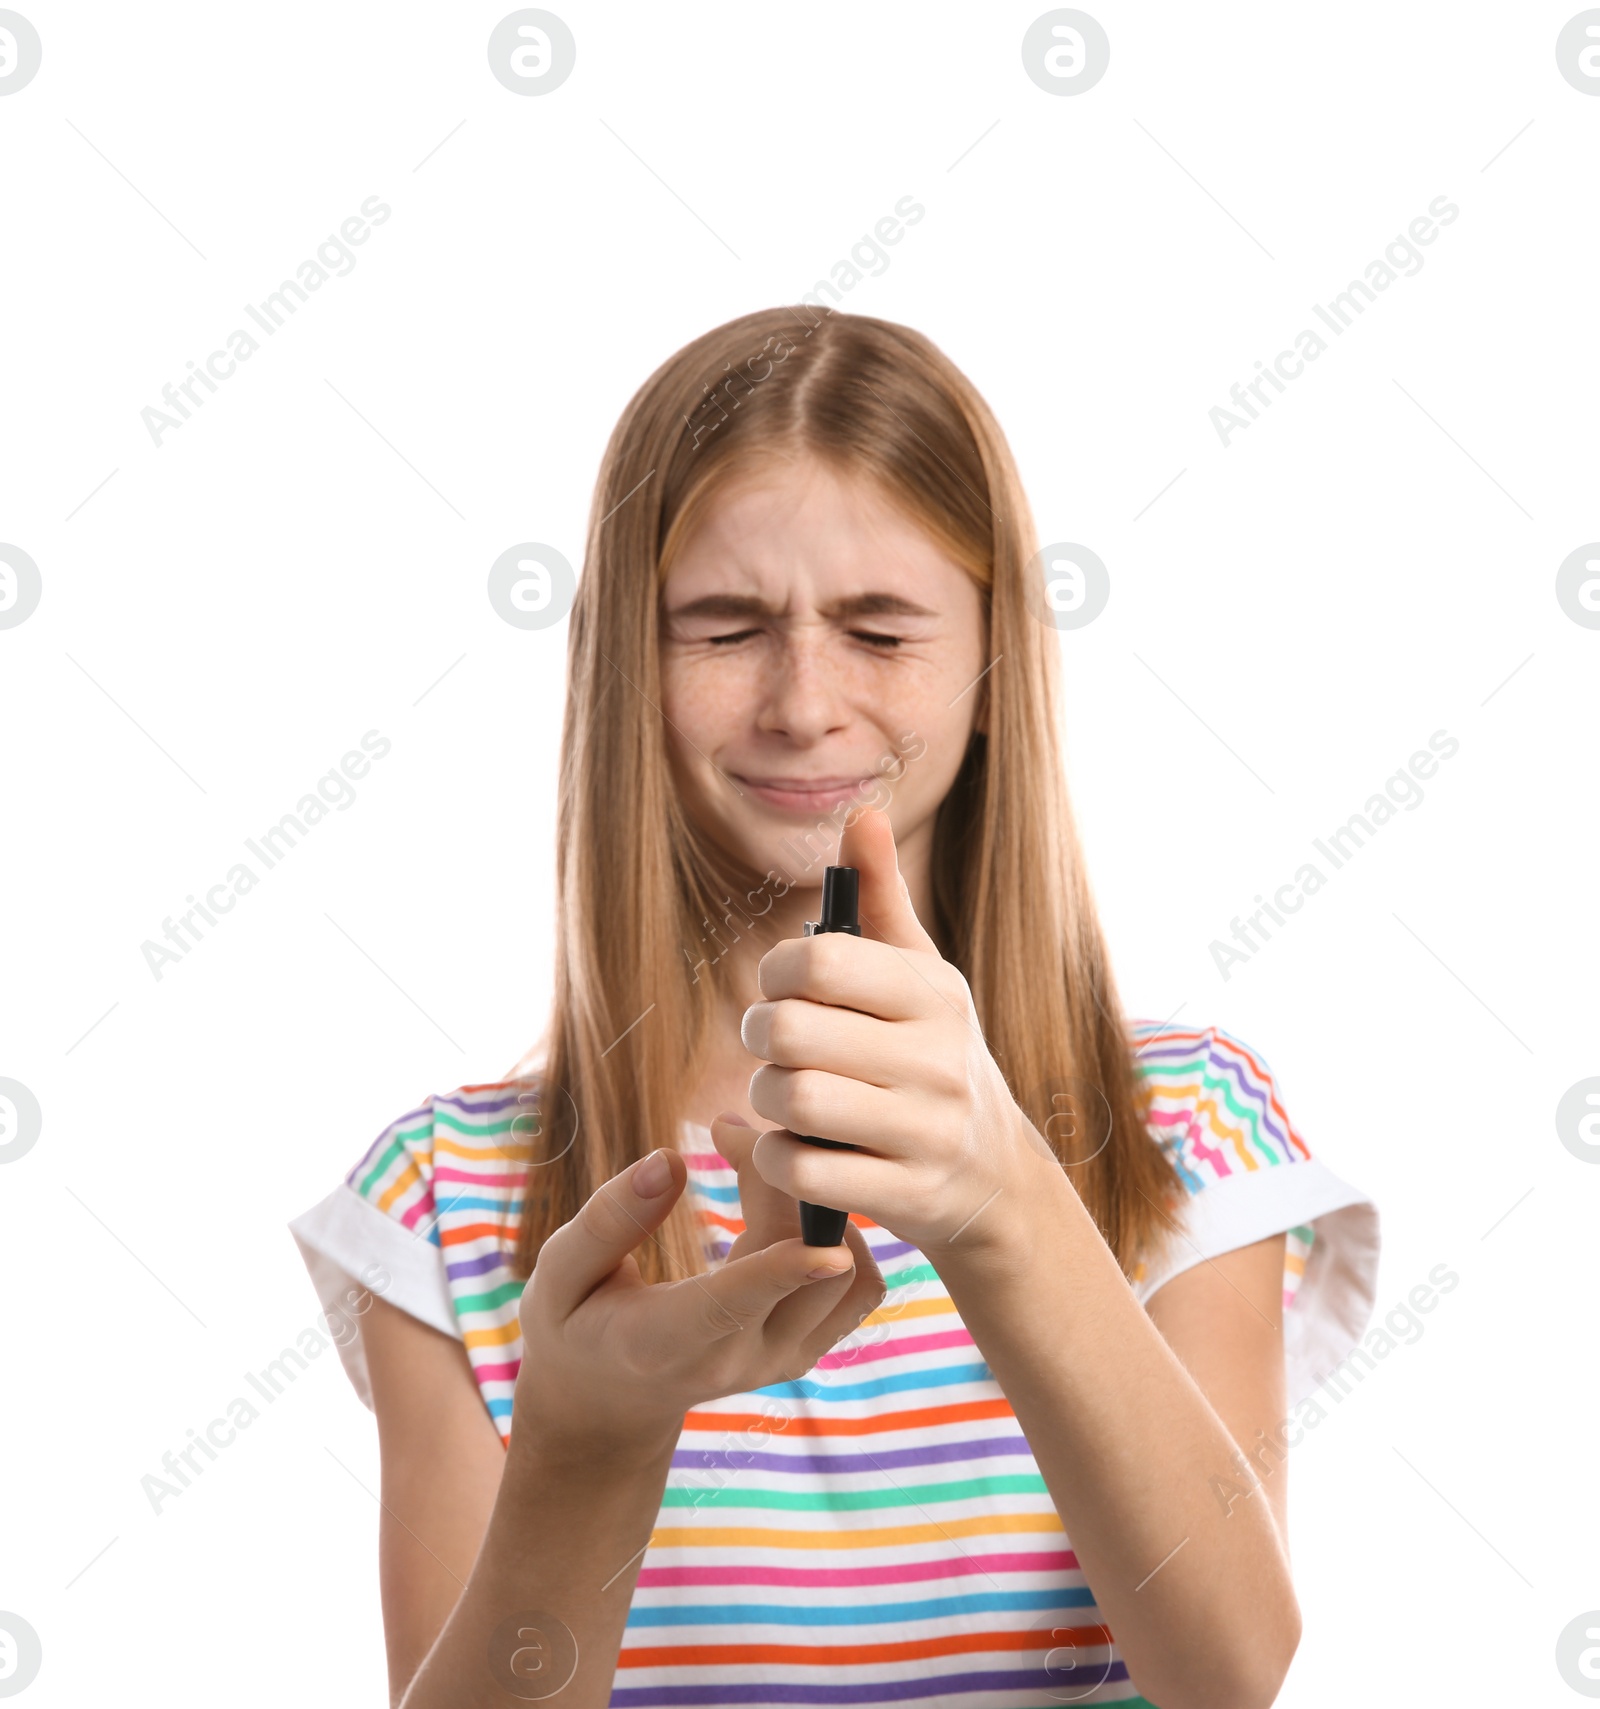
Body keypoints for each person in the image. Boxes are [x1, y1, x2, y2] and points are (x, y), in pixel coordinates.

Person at [290, 305, 1379, 1709]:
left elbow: (1230, 1670)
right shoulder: (448, 1197)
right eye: (727, 626)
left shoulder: (1188, 1124)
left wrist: (1006, 1204)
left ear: (994, 667)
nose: (804, 703)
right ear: (630, 668)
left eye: (879, 628)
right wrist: (589, 1436)